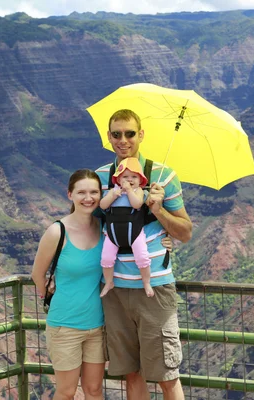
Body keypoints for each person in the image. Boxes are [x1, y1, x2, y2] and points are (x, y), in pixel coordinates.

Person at [95, 109, 193, 400]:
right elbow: (89, 223)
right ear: (109, 136)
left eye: (129, 133)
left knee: (166, 375)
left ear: (141, 135)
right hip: (114, 291)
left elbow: (185, 232)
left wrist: (158, 210)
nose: (122, 140)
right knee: (131, 373)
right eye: (116, 134)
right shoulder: (101, 177)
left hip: (155, 290)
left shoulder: (164, 176)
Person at [31, 169, 106, 400]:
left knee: (94, 391)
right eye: (81, 192)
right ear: (69, 195)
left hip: (98, 326)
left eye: (94, 192)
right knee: (66, 392)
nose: (88, 198)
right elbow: (37, 274)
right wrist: (54, 297)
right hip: (65, 327)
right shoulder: (57, 232)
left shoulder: (103, 227)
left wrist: (165, 242)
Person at [100, 157, 153, 298]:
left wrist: (130, 191)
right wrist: (112, 196)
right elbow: (103, 205)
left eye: (134, 177)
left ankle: (146, 282)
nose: (130, 180)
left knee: (142, 256)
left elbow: (137, 205)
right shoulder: (113, 191)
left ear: (140, 180)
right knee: (106, 258)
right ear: (118, 179)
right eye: (125, 177)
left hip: (134, 233)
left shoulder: (139, 191)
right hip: (113, 234)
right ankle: (109, 282)